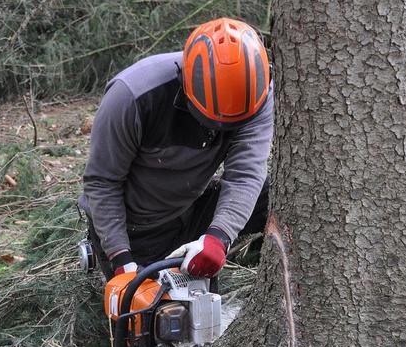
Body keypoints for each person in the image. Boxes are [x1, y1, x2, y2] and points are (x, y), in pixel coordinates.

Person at [79, 17, 273, 282]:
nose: (219, 131)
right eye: (210, 121)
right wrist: (121, 258)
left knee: (277, 195)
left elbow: (246, 173)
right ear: (186, 84)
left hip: (193, 202)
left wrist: (219, 237)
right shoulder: (133, 96)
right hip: (138, 225)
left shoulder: (257, 92)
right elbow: (103, 182)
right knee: (159, 313)